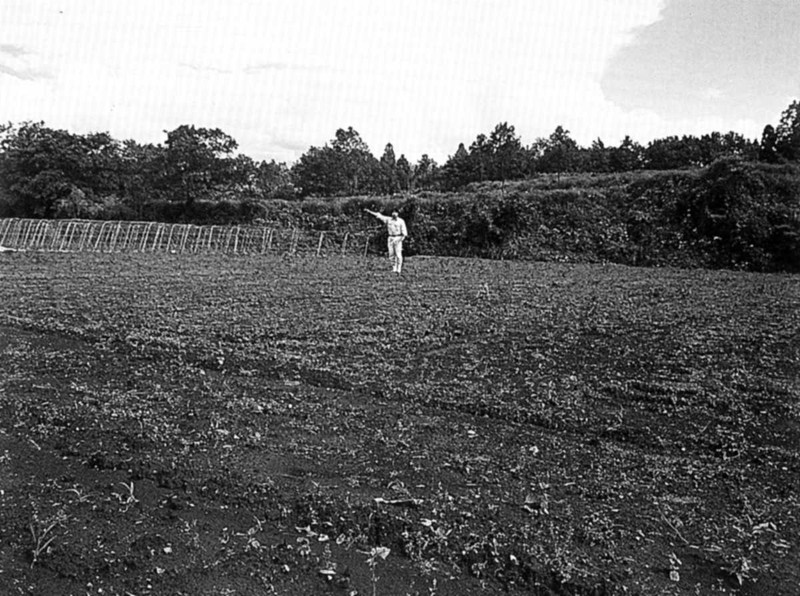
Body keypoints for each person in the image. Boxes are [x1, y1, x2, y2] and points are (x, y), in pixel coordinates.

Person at [364, 208, 408, 273]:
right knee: (391, 254)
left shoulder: (401, 221)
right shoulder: (388, 219)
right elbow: (379, 215)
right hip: (390, 238)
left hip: (398, 238)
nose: (394, 214)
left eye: (395, 212)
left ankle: (399, 269)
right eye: (393, 212)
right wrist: (369, 211)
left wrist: (399, 240)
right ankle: (394, 268)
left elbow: (404, 234)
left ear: (398, 214)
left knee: (398, 254)